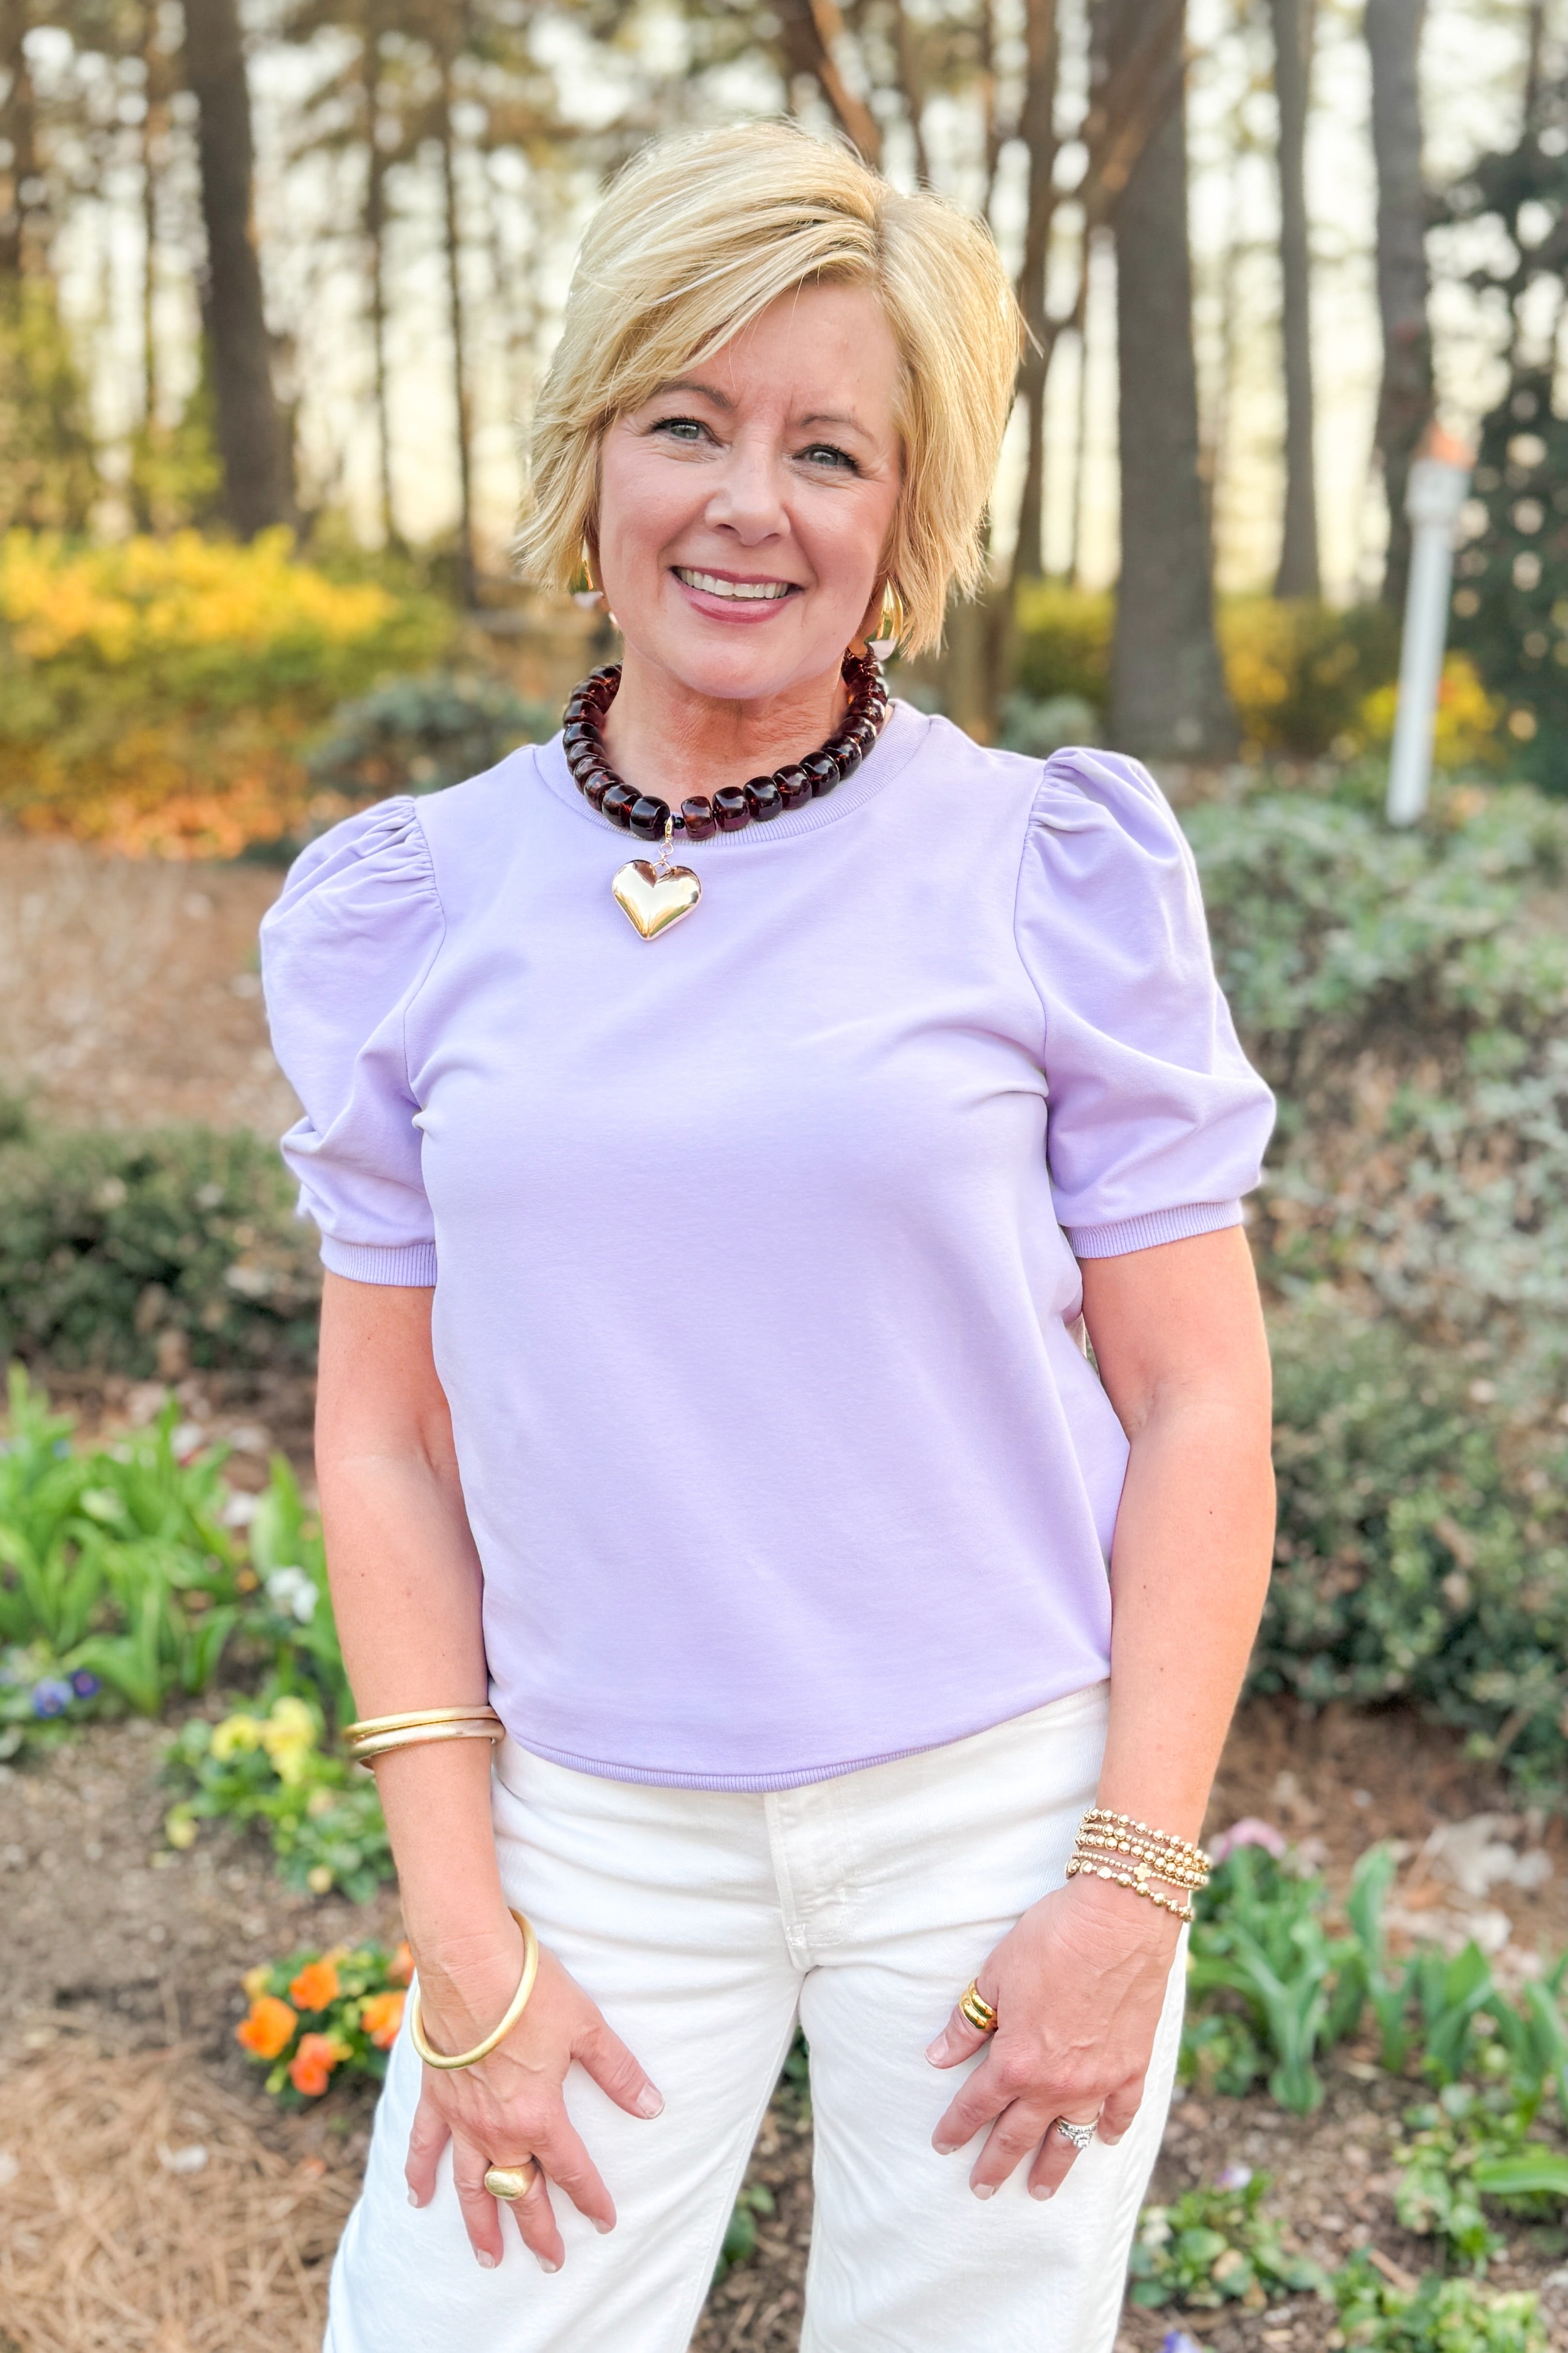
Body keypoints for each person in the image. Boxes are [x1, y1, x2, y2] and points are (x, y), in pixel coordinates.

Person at [261, 120, 1277, 2353]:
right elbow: (385, 1440)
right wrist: (459, 1914)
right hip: (592, 1832)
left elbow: (1200, 1399)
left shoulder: (1048, 868)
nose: (750, 502)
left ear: (906, 519)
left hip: (1002, 1820)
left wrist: (1129, 1879)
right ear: (590, 447)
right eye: (687, 420)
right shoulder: (409, 906)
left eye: (832, 448)